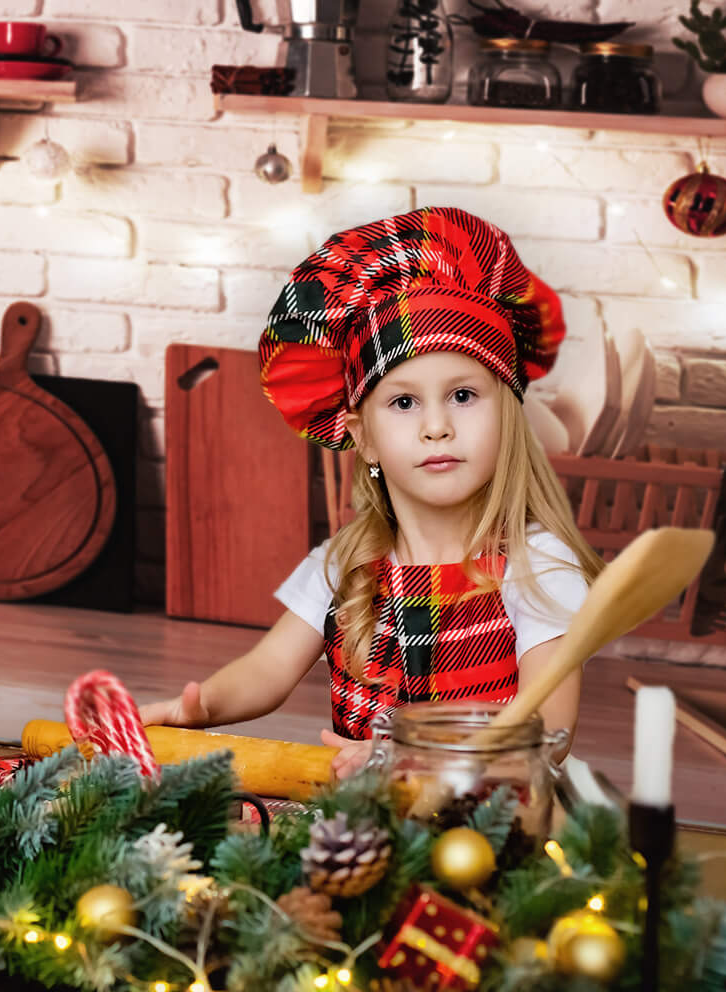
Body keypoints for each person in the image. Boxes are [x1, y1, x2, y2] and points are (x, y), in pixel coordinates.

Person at [142, 208, 601, 778]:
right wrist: (204, 705)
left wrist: (410, 758)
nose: (437, 426)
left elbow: (550, 729)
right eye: (403, 402)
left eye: (463, 395)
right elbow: (266, 671)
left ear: (509, 414)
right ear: (365, 439)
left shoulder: (538, 564)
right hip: (358, 825)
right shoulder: (347, 563)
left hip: (486, 825)